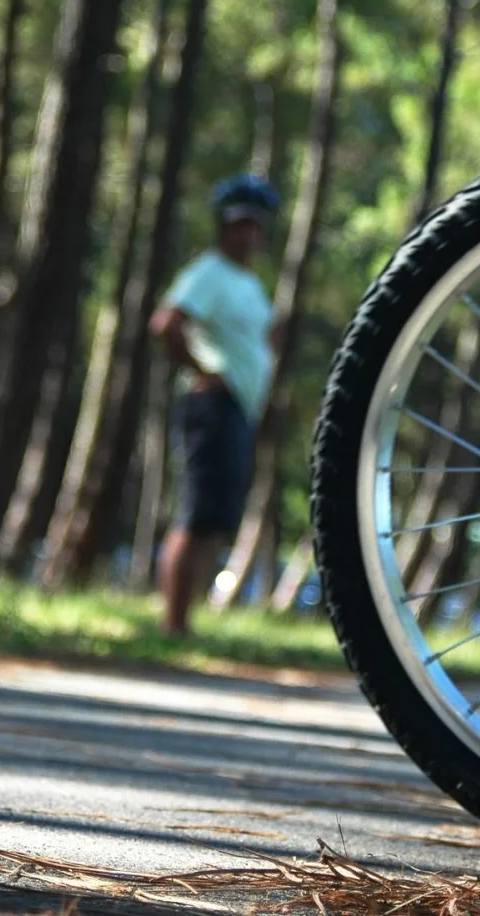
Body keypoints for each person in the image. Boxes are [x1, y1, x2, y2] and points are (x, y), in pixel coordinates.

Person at [149, 175, 282, 636]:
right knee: (194, 513)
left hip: (238, 409)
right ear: (223, 227)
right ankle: (174, 623)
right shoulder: (208, 271)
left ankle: (184, 623)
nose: (248, 234)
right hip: (211, 407)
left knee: (213, 521)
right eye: (240, 224)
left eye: (256, 225)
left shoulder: (248, 281)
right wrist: (204, 370)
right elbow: (167, 322)